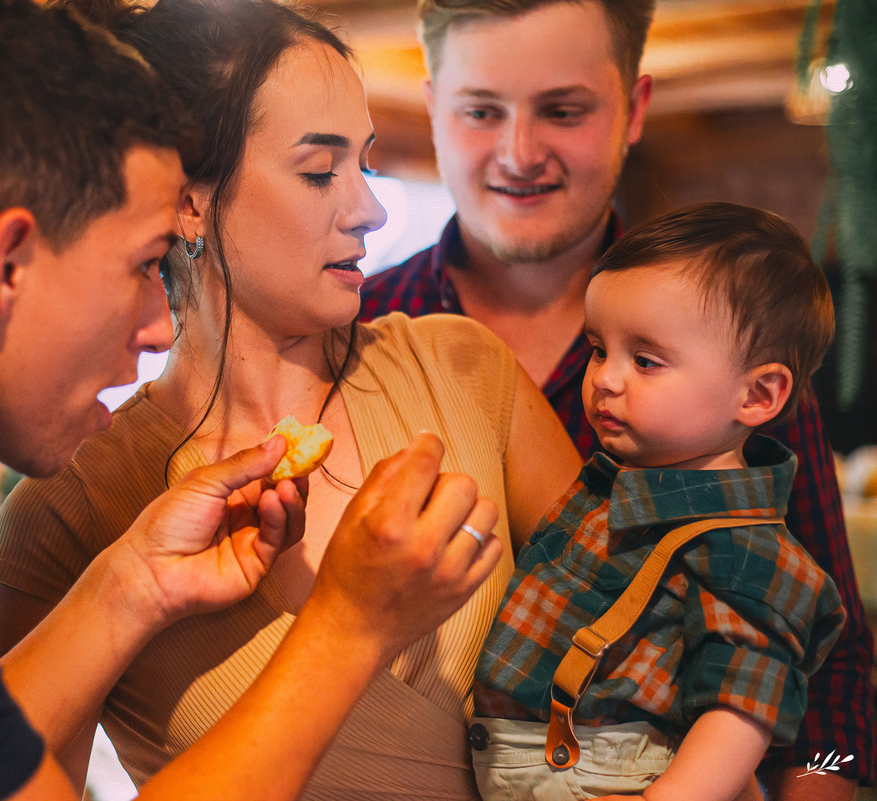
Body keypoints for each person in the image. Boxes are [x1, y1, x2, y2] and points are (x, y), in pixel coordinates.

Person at [0, 0, 511, 798]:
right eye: (144, 266)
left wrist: (131, 585)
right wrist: (349, 627)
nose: (156, 325)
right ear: (8, 262)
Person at [0, 0, 582, 797]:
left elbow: (635, 626)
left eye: (364, 164)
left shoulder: (464, 369)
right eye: (319, 170)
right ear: (187, 199)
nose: (370, 209)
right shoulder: (73, 514)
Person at [358, 1, 876, 796]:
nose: (518, 152)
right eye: (479, 111)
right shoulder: (358, 332)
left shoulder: (735, 368)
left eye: (563, 110)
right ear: (431, 108)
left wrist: (820, 778)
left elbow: (831, 679)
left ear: (634, 109)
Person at [469, 203, 845, 800]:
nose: (606, 379)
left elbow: (743, 705)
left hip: (605, 775)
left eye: (645, 361)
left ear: (758, 395)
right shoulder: (622, 485)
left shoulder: (744, 547)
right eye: (598, 349)